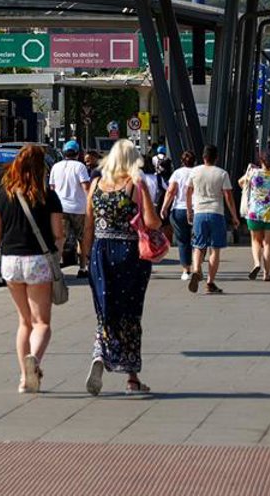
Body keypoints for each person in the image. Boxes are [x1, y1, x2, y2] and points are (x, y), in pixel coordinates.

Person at [0, 142, 66, 394]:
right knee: (42, 323)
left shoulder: (3, 195)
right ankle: (34, 361)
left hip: (10, 262)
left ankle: (24, 378)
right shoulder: (48, 196)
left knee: (24, 322)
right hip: (38, 261)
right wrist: (57, 254)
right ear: (42, 168)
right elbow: (58, 234)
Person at [80, 139, 159, 395]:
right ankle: (132, 379)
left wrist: (86, 258)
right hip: (130, 254)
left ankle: (99, 355)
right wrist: (145, 194)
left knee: (105, 310)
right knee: (130, 314)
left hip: (100, 253)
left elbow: (88, 225)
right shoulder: (134, 185)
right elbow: (153, 222)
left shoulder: (96, 185)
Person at [186, 144, 238, 294]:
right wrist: (234, 216)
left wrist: (189, 211)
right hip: (216, 213)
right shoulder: (222, 174)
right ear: (217, 158)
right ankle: (210, 282)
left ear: (203, 157)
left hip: (199, 213)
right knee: (215, 249)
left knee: (198, 245)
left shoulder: (195, 172)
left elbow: (188, 192)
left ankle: (196, 269)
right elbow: (228, 196)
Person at [49, 140, 94, 278]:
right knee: (82, 238)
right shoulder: (80, 167)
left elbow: (52, 188)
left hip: (60, 208)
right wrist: (92, 205)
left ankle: (56, 268)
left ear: (64, 152)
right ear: (77, 153)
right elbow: (86, 187)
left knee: (60, 238)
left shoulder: (56, 167)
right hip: (79, 208)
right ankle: (83, 268)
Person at [238, 148, 270, 281]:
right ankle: (266, 274)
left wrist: (249, 171)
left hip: (254, 213)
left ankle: (257, 263)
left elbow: (240, 183)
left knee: (256, 240)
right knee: (269, 244)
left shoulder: (253, 173)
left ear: (261, 161)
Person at [158, 149, 198, 279]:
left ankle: (186, 270)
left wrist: (164, 208)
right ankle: (197, 267)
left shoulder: (177, 173)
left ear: (182, 161)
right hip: (197, 209)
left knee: (183, 241)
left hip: (179, 210)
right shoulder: (198, 172)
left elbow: (171, 191)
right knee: (198, 240)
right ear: (195, 161)